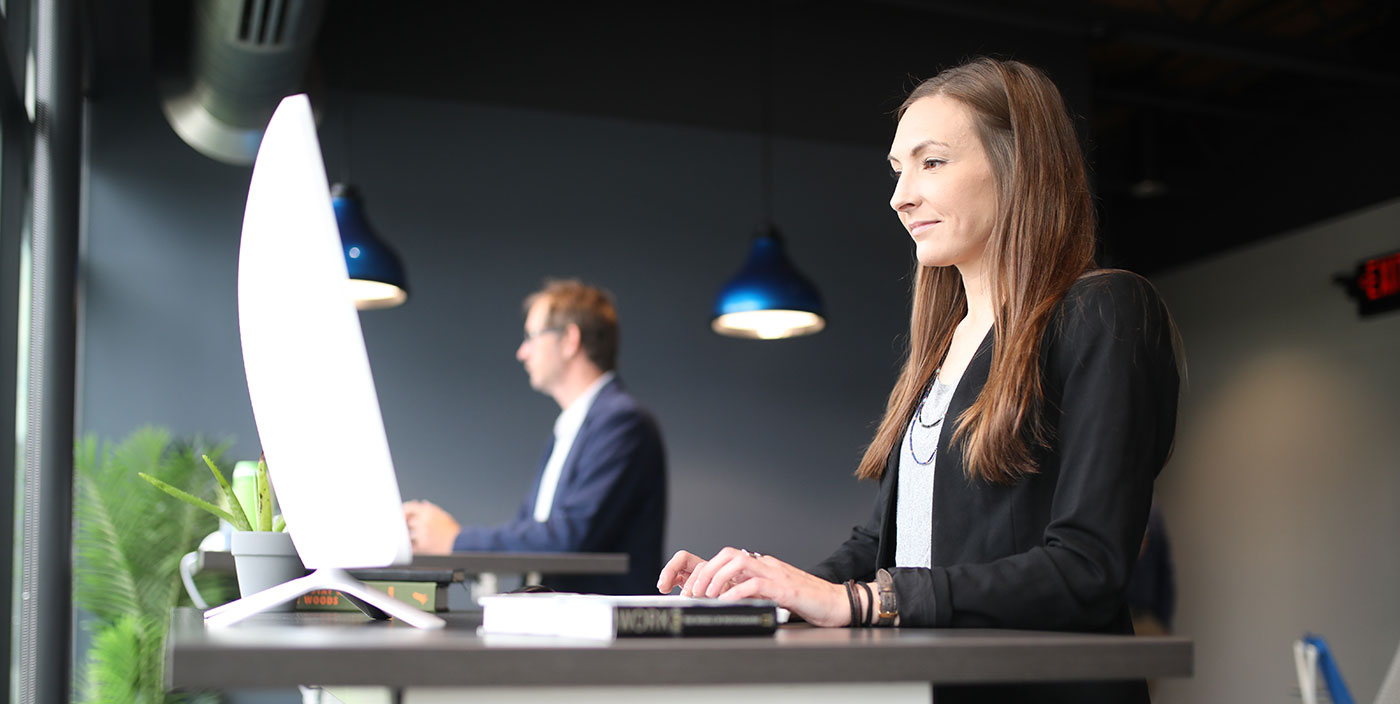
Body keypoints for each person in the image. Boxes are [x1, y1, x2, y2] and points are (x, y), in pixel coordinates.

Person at [657, 57, 1179, 703]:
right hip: (929, 688)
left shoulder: (1103, 310)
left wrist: (864, 601)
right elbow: (885, 543)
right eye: (899, 169)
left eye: (932, 162)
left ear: (1021, 167)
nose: (900, 196)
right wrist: (768, 593)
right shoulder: (945, 346)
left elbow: (1087, 567)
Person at [405, 279, 667, 595]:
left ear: (570, 340)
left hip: (597, 631)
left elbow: (567, 537)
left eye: (531, 337)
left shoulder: (620, 421)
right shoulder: (574, 426)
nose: (522, 352)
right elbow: (532, 534)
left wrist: (456, 540)